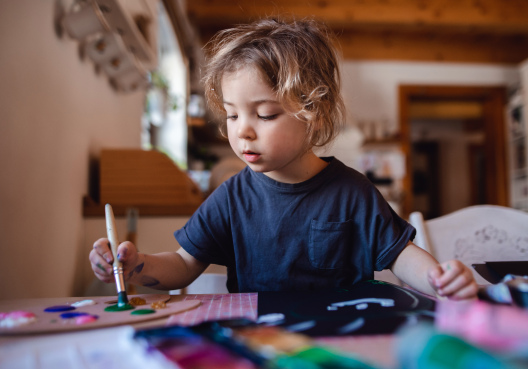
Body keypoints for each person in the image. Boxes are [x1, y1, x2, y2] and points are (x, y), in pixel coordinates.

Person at [89, 18, 477, 300]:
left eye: (266, 114)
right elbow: (183, 264)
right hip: (258, 343)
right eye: (232, 114)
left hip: (342, 338)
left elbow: (401, 256)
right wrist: (136, 265)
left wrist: (440, 278)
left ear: (315, 114)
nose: (242, 131)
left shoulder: (352, 192)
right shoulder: (232, 197)